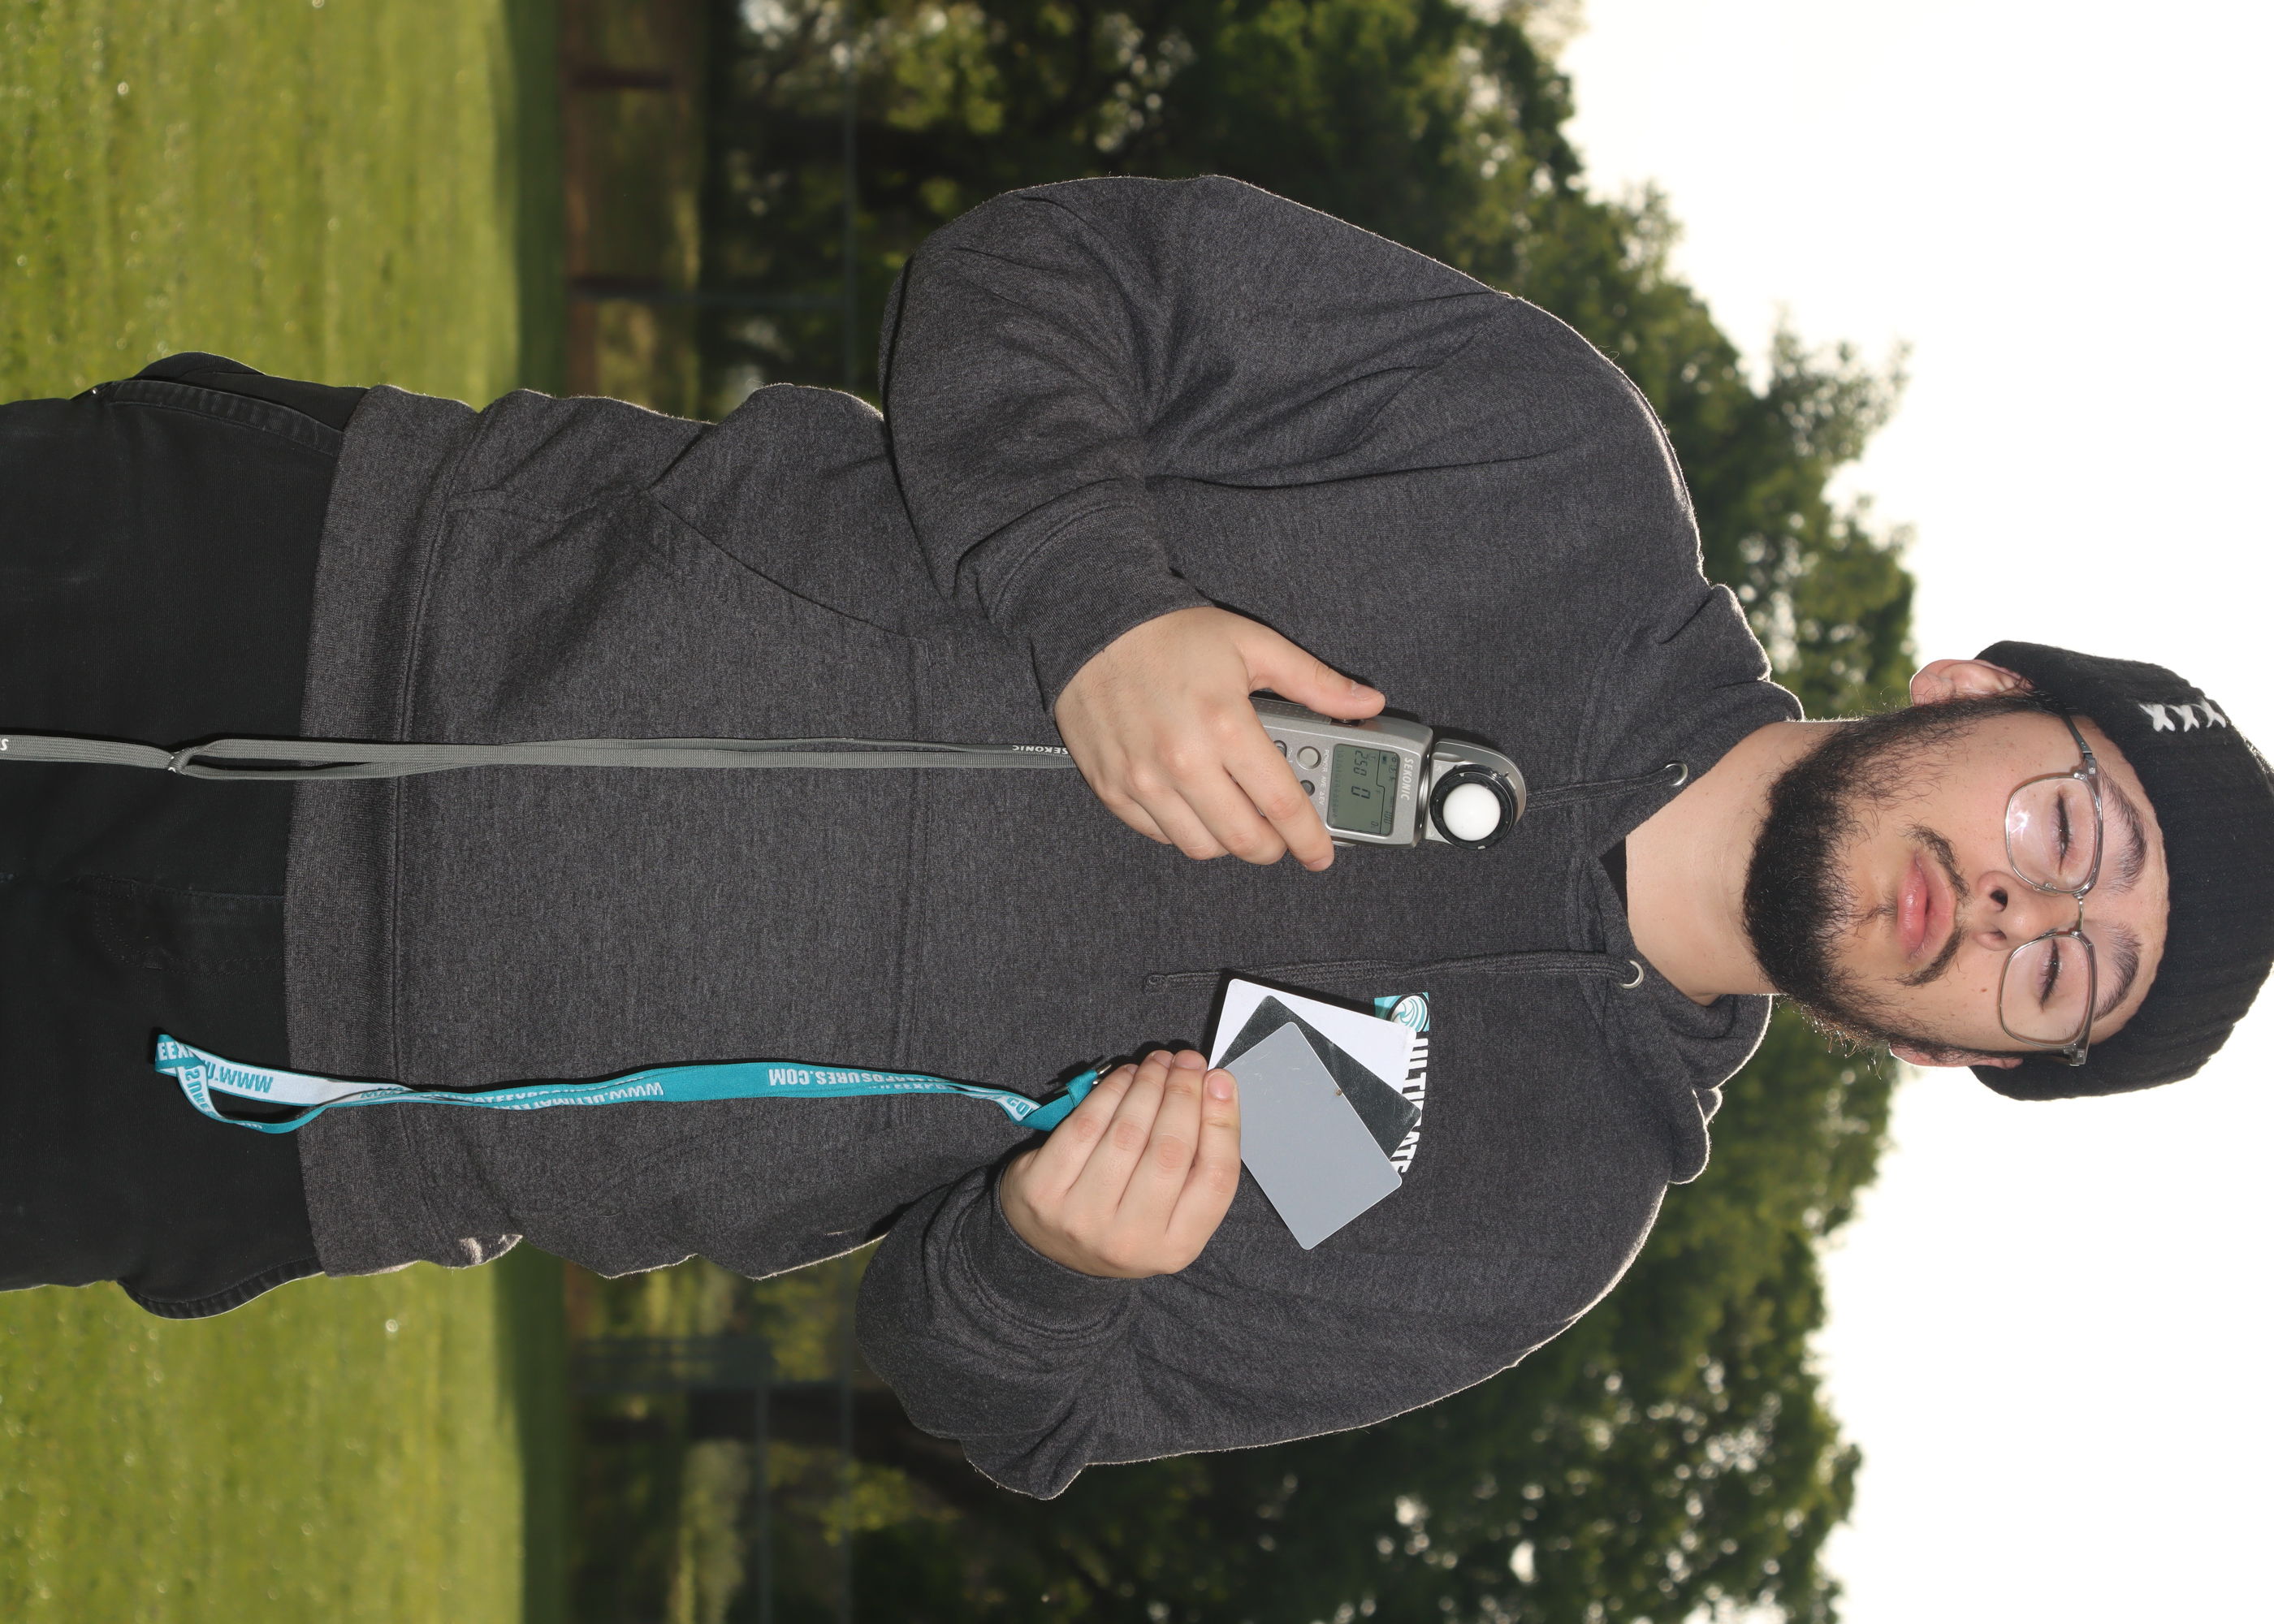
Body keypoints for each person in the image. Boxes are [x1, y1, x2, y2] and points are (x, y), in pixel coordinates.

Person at [5, 177, 2270, 1498]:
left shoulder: (1530, 1223)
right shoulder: (1554, 469)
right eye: (2068, 818)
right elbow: (1046, 273)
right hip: (338, 576)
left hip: (293, 1110)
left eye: (2065, 970)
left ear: (1961, 1052)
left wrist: (1049, 1264)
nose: (2017, 901)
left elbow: (1022, 1404)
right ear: (1972, 687)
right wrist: (1102, 602)